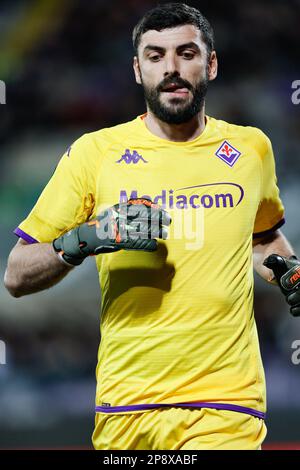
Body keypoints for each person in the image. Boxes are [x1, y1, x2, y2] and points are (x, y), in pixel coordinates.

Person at [4, 3, 300, 450]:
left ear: (212, 64)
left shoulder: (251, 148)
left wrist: (289, 271)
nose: (173, 69)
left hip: (227, 403)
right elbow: (16, 276)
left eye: (187, 53)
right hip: (126, 407)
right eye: (156, 56)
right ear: (138, 69)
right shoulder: (95, 153)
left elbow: (263, 239)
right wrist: (87, 238)